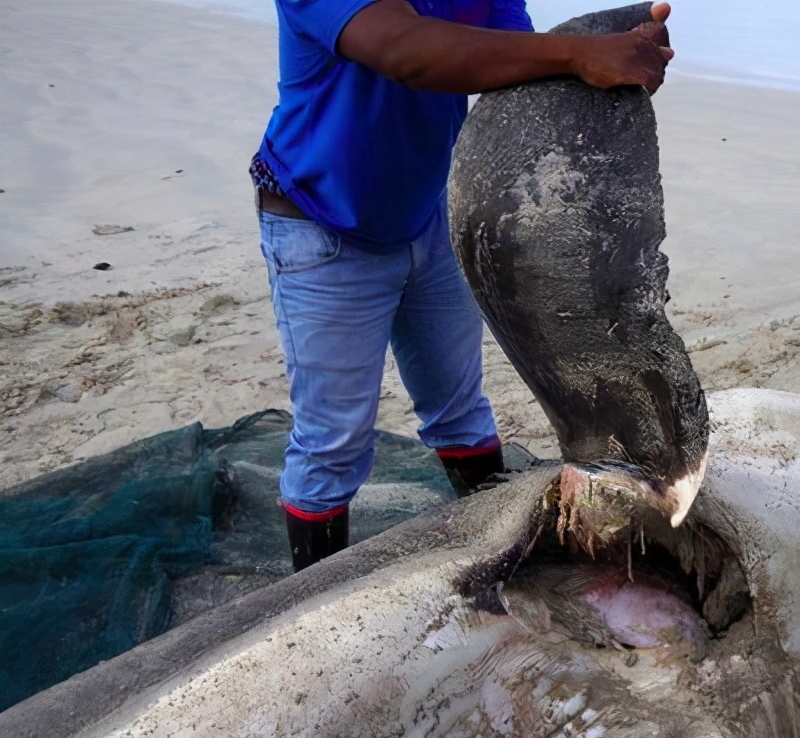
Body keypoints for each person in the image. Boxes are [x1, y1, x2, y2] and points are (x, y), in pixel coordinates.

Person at [251, 0, 675, 572]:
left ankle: (513, 563)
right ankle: (307, 610)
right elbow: (407, 51)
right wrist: (580, 53)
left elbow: (519, 68)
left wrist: (615, 57)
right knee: (332, 444)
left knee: (460, 411)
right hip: (321, 223)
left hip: (429, 216)